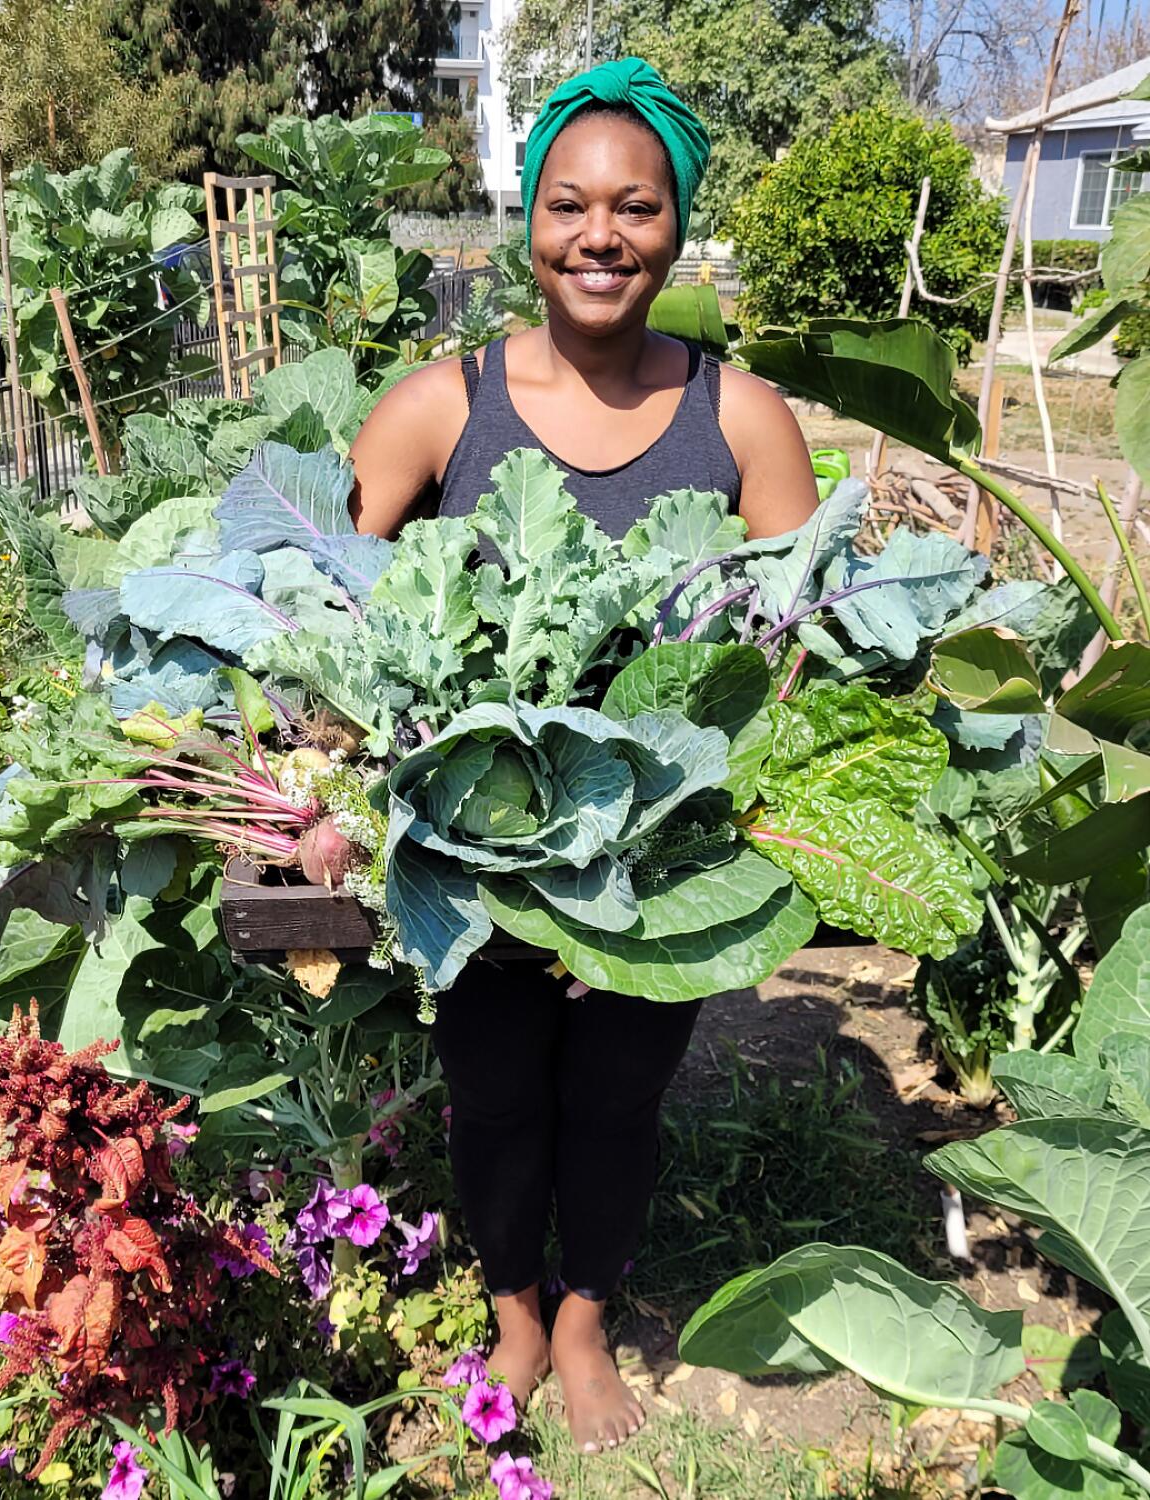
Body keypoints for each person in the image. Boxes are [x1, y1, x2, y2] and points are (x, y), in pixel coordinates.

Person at [350, 57, 819, 1454]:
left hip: (655, 845)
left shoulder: (741, 417)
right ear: (529, 222)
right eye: (569, 205)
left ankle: (582, 1319)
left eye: (636, 207)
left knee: (621, 1089)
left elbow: (795, 645)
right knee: (493, 1085)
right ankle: (508, 1307)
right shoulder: (445, 402)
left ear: (678, 226)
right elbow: (322, 587)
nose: (600, 236)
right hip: (477, 837)